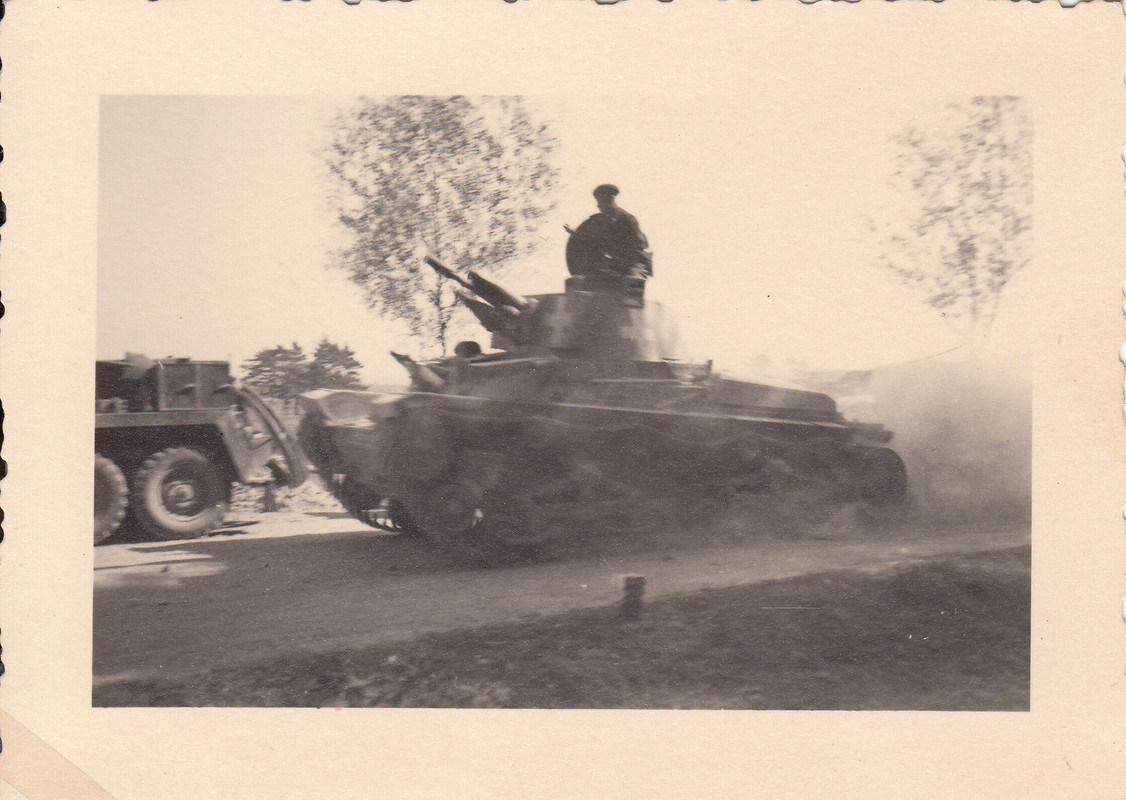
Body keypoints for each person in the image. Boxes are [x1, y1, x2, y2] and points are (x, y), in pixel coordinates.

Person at [567, 184, 653, 279]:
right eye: (598, 202)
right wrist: (576, 235)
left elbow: (638, 249)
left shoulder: (627, 220)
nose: (599, 205)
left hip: (631, 266)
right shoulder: (596, 221)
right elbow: (593, 243)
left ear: (610, 201)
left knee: (632, 281)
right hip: (607, 267)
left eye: (602, 202)